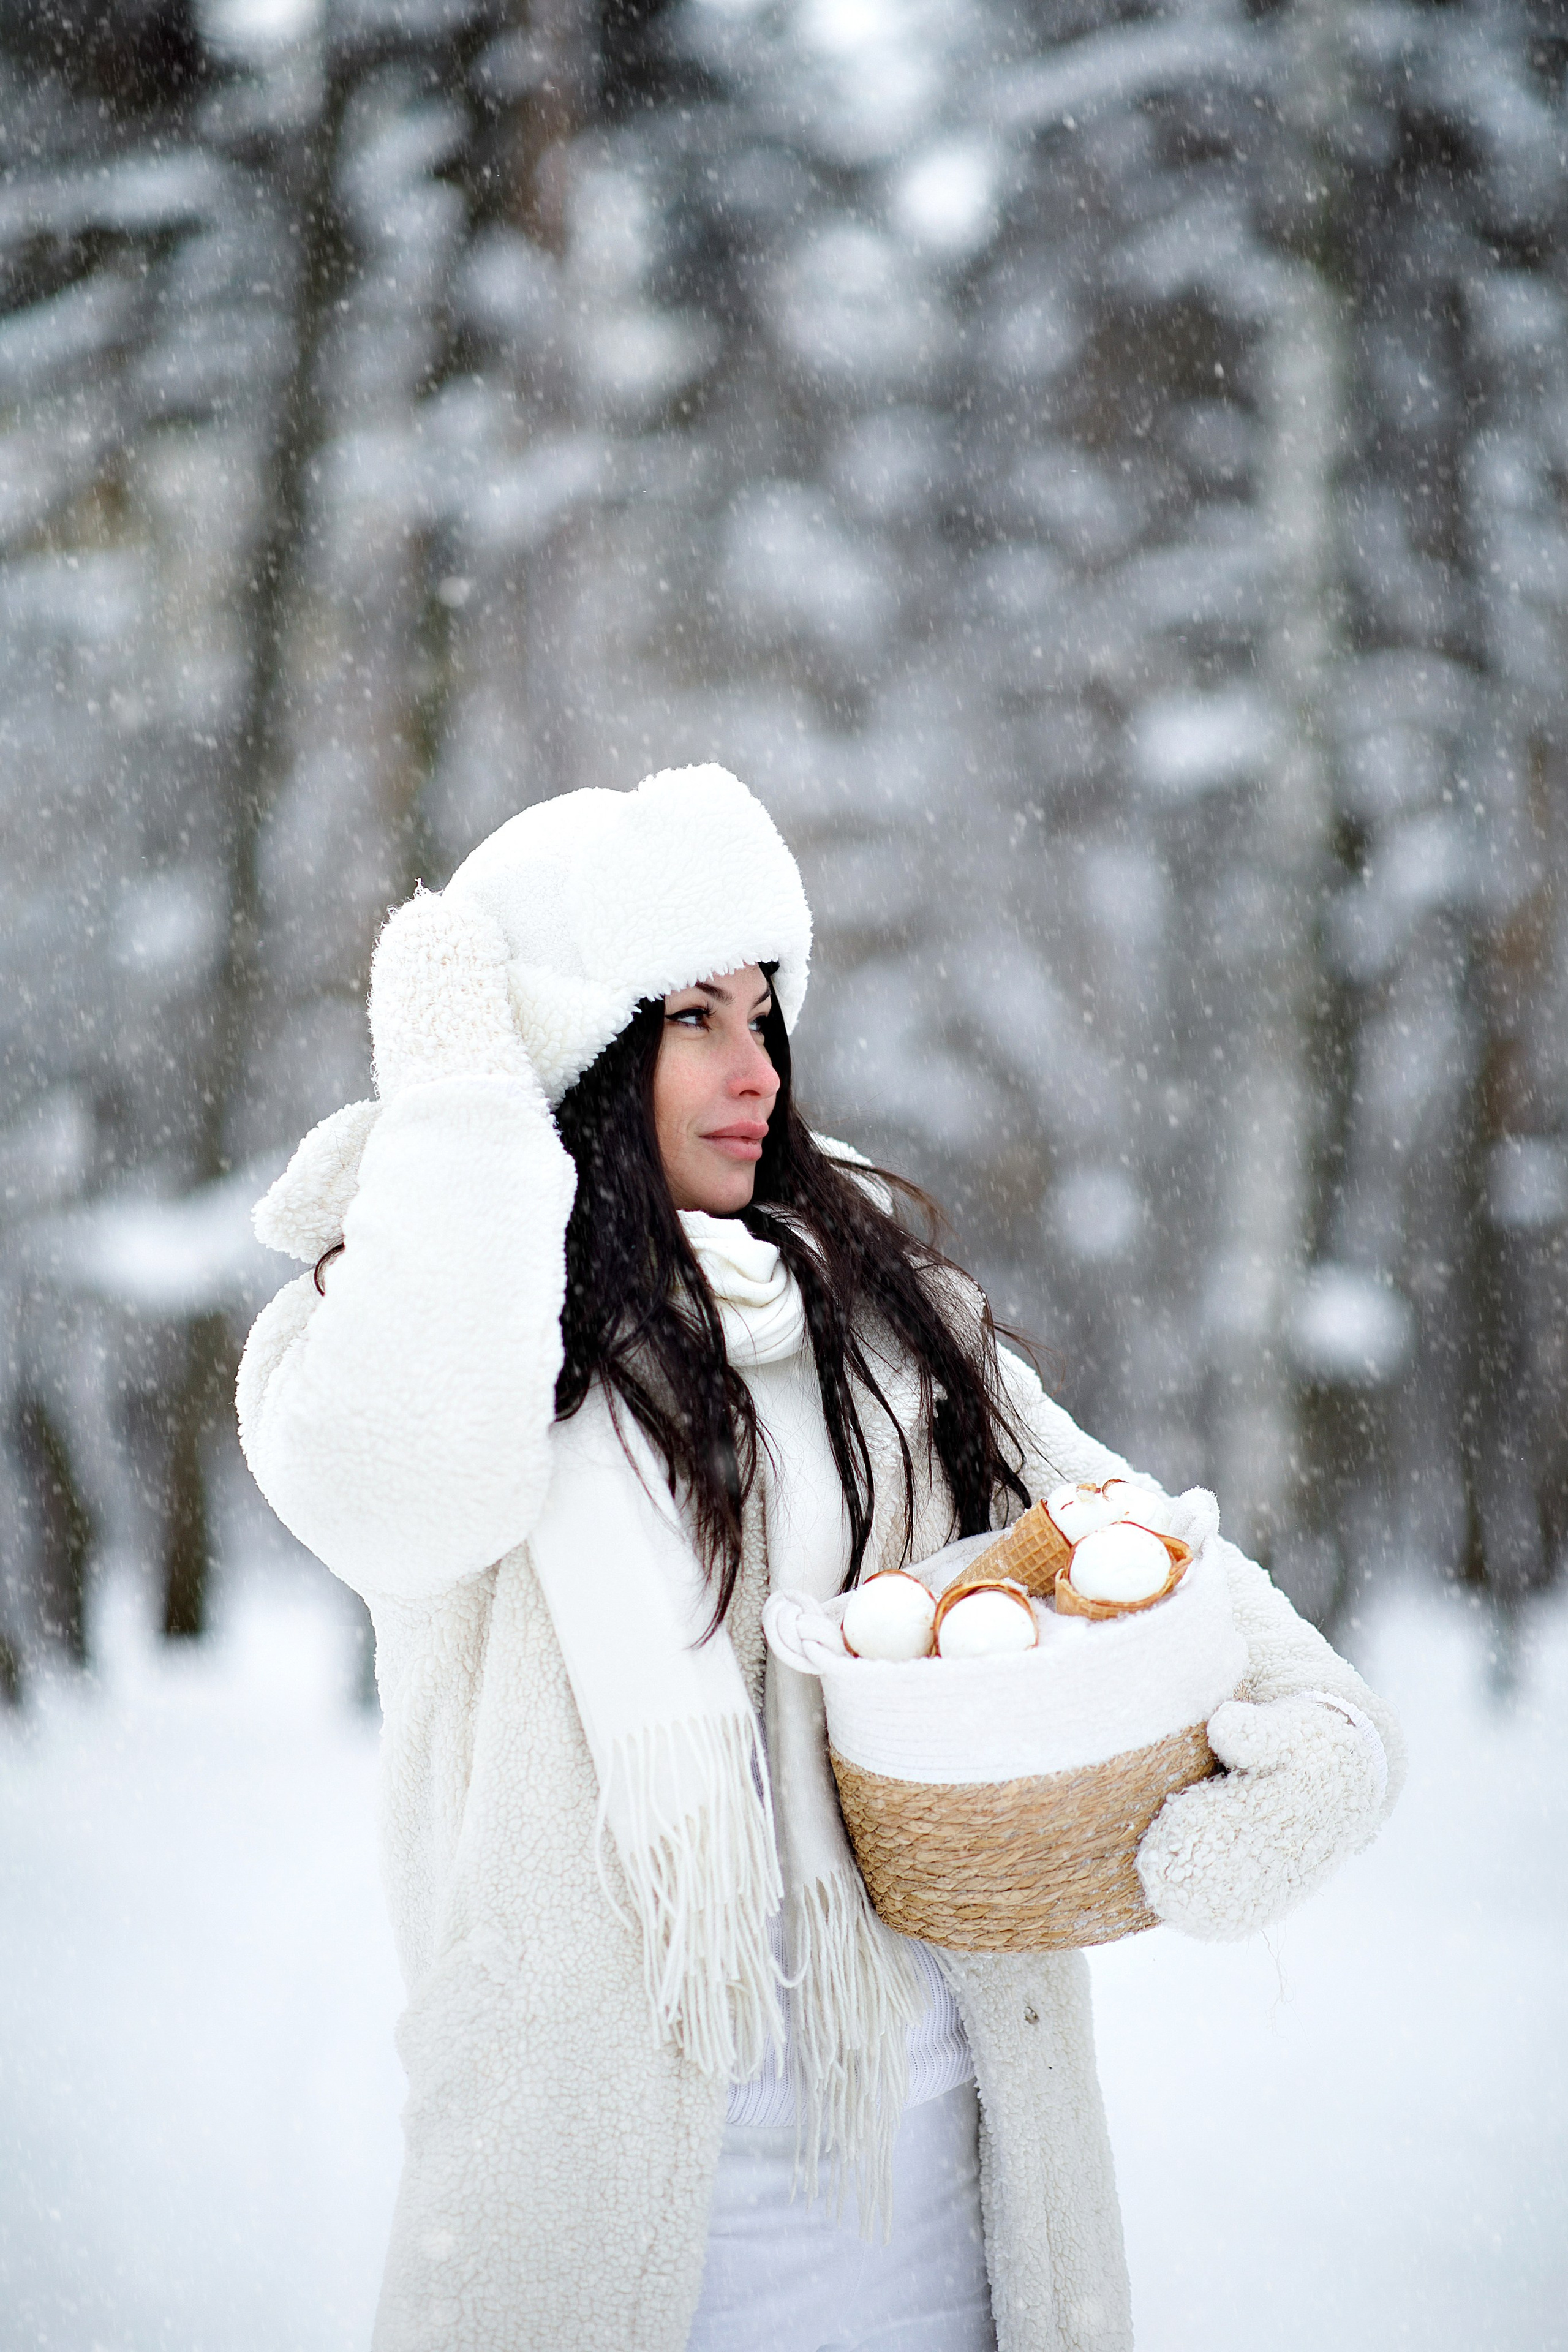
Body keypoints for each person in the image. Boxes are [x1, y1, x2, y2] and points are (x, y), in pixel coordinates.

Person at [238, 765, 1402, 2352]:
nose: (758, 1067)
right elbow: (411, 1485)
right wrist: (458, 1108)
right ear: (572, 1045)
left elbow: (1111, 1522)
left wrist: (1319, 1724)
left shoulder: (875, 1307)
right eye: (696, 1017)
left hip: (941, 2203)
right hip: (602, 2240)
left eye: (770, 1013)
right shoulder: (398, 1325)